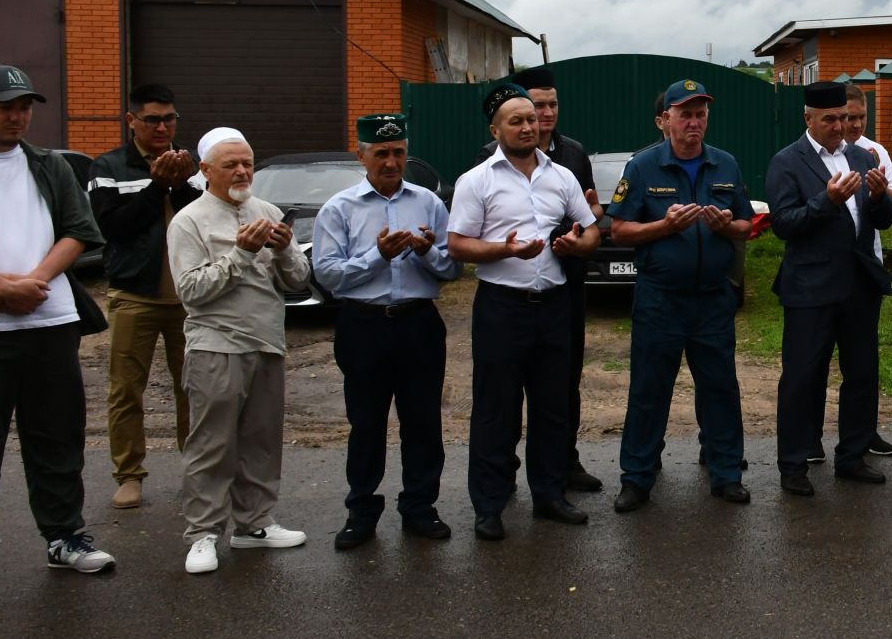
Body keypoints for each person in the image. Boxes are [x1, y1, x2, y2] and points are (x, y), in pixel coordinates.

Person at [448, 85, 600, 541]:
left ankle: (550, 496)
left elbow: (592, 231)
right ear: (496, 131)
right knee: (496, 408)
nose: (528, 126)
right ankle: (490, 505)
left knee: (553, 406)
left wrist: (579, 244)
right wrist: (503, 250)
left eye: (531, 119)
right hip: (502, 309)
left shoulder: (562, 176)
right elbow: (457, 245)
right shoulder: (476, 181)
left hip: (554, 306)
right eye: (516, 121)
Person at [168, 126, 315, 575]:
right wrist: (241, 255)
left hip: (266, 343)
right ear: (205, 170)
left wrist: (287, 248)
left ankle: (254, 525)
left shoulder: (267, 211)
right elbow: (191, 291)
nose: (241, 171)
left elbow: (297, 281)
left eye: (247, 162)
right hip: (217, 345)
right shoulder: (189, 220)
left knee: (262, 441)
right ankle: (203, 534)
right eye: (230, 164)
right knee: (212, 444)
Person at [312, 113, 461, 549]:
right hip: (364, 326)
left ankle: (419, 506)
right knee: (366, 423)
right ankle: (361, 511)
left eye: (398, 153)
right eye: (381, 154)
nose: (392, 163)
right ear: (360, 155)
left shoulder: (428, 203)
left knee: (423, 421)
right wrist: (377, 256)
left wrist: (426, 253)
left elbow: (452, 268)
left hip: (418, 323)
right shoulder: (340, 209)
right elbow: (327, 277)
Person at [605, 79, 754, 511]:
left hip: (712, 298)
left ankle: (726, 473)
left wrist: (727, 226)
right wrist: (663, 227)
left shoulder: (725, 164)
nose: (694, 121)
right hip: (661, 299)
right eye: (685, 113)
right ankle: (637, 476)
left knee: (720, 388)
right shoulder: (642, 167)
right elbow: (619, 230)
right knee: (649, 391)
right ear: (663, 119)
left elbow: (747, 226)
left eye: (700, 113)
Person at [0, 63, 115, 575]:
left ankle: (65, 537)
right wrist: (0, 286)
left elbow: (79, 230)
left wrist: (35, 281)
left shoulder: (49, 165)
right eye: (6, 106)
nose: (18, 116)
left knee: (56, 436)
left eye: (24, 106)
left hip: (51, 322)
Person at [767, 80, 892, 496]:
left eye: (844, 117)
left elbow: (881, 221)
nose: (840, 126)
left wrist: (879, 199)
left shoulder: (861, 156)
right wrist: (827, 201)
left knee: (862, 373)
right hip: (810, 286)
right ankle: (794, 464)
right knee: (803, 377)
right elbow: (784, 224)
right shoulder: (788, 162)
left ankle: (853, 457)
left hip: (858, 285)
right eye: (830, 119)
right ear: (808, 119)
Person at [88, 82, 201, 510]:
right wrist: (157, 187)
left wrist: (181, 182)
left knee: (192, 387)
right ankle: (129, 475)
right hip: (135, 294)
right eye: (151, 119)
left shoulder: (191, 163)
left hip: (189, 297)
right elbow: (111, 228)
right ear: (131, 120)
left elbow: (205, 216)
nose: (161, 126)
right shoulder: (109, 166)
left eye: (169, 118)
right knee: (125, 390)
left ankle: (198, 469)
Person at [495, 65, 606, 495]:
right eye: (536, 105)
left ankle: (564, 460)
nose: (545, 113)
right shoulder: (490, 156)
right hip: (512, 290)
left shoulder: (573, 154)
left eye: (552, 104)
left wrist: (586, 227)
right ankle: (502, 470)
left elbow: (591, 212)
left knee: (563, 380)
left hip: (565, 284)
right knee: (505, 389)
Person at [843, 82, 892, 460]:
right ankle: (812, 437)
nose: (854, 124)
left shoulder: (875, 152)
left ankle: (866, 432)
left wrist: (880, 190)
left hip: (866, 267)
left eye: (861, 117)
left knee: (864, 359)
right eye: (848, 117)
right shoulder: (816, 154)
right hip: (827, 271)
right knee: (816, 361)